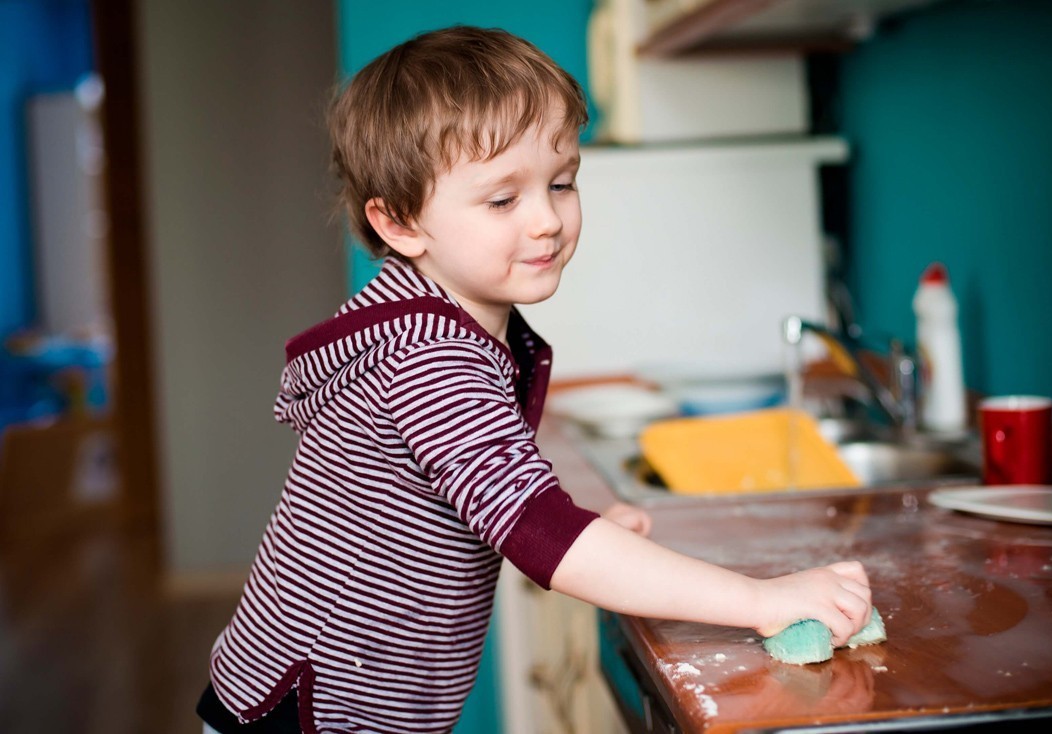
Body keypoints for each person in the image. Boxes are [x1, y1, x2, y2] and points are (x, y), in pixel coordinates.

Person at [196, 25, 873, 734]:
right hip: (311, 717)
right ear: (398, 222)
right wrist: (763, 601)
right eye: (502, 200)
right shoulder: (427, 356)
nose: (548, 219)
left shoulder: (444, 327)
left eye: (561, 182)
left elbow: (482, 503)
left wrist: (580, 533)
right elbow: (534, 529)